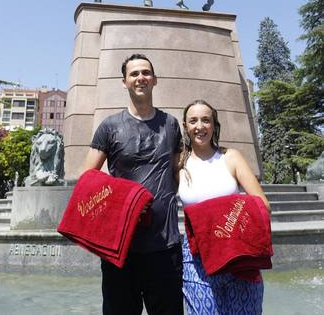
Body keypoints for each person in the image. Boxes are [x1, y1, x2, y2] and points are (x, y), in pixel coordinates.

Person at [83, 53, 184, 315]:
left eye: (146, 73)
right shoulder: (110, 127)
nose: (141, 78)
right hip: (120, 249)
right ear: (124, 82)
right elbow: (87, 179)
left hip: (165, 246)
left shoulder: (171, 125)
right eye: (134, 74)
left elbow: (177, 173)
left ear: (155, 80)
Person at [178, 99, 271, 315]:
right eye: (193, 121)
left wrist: (226, 221)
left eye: (205, 120)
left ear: (214, 124)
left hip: (238, 255)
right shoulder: (179, 164)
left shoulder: (231, 157)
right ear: (185, 126)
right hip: (196, 260)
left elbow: (262, 205)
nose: (199, 126)